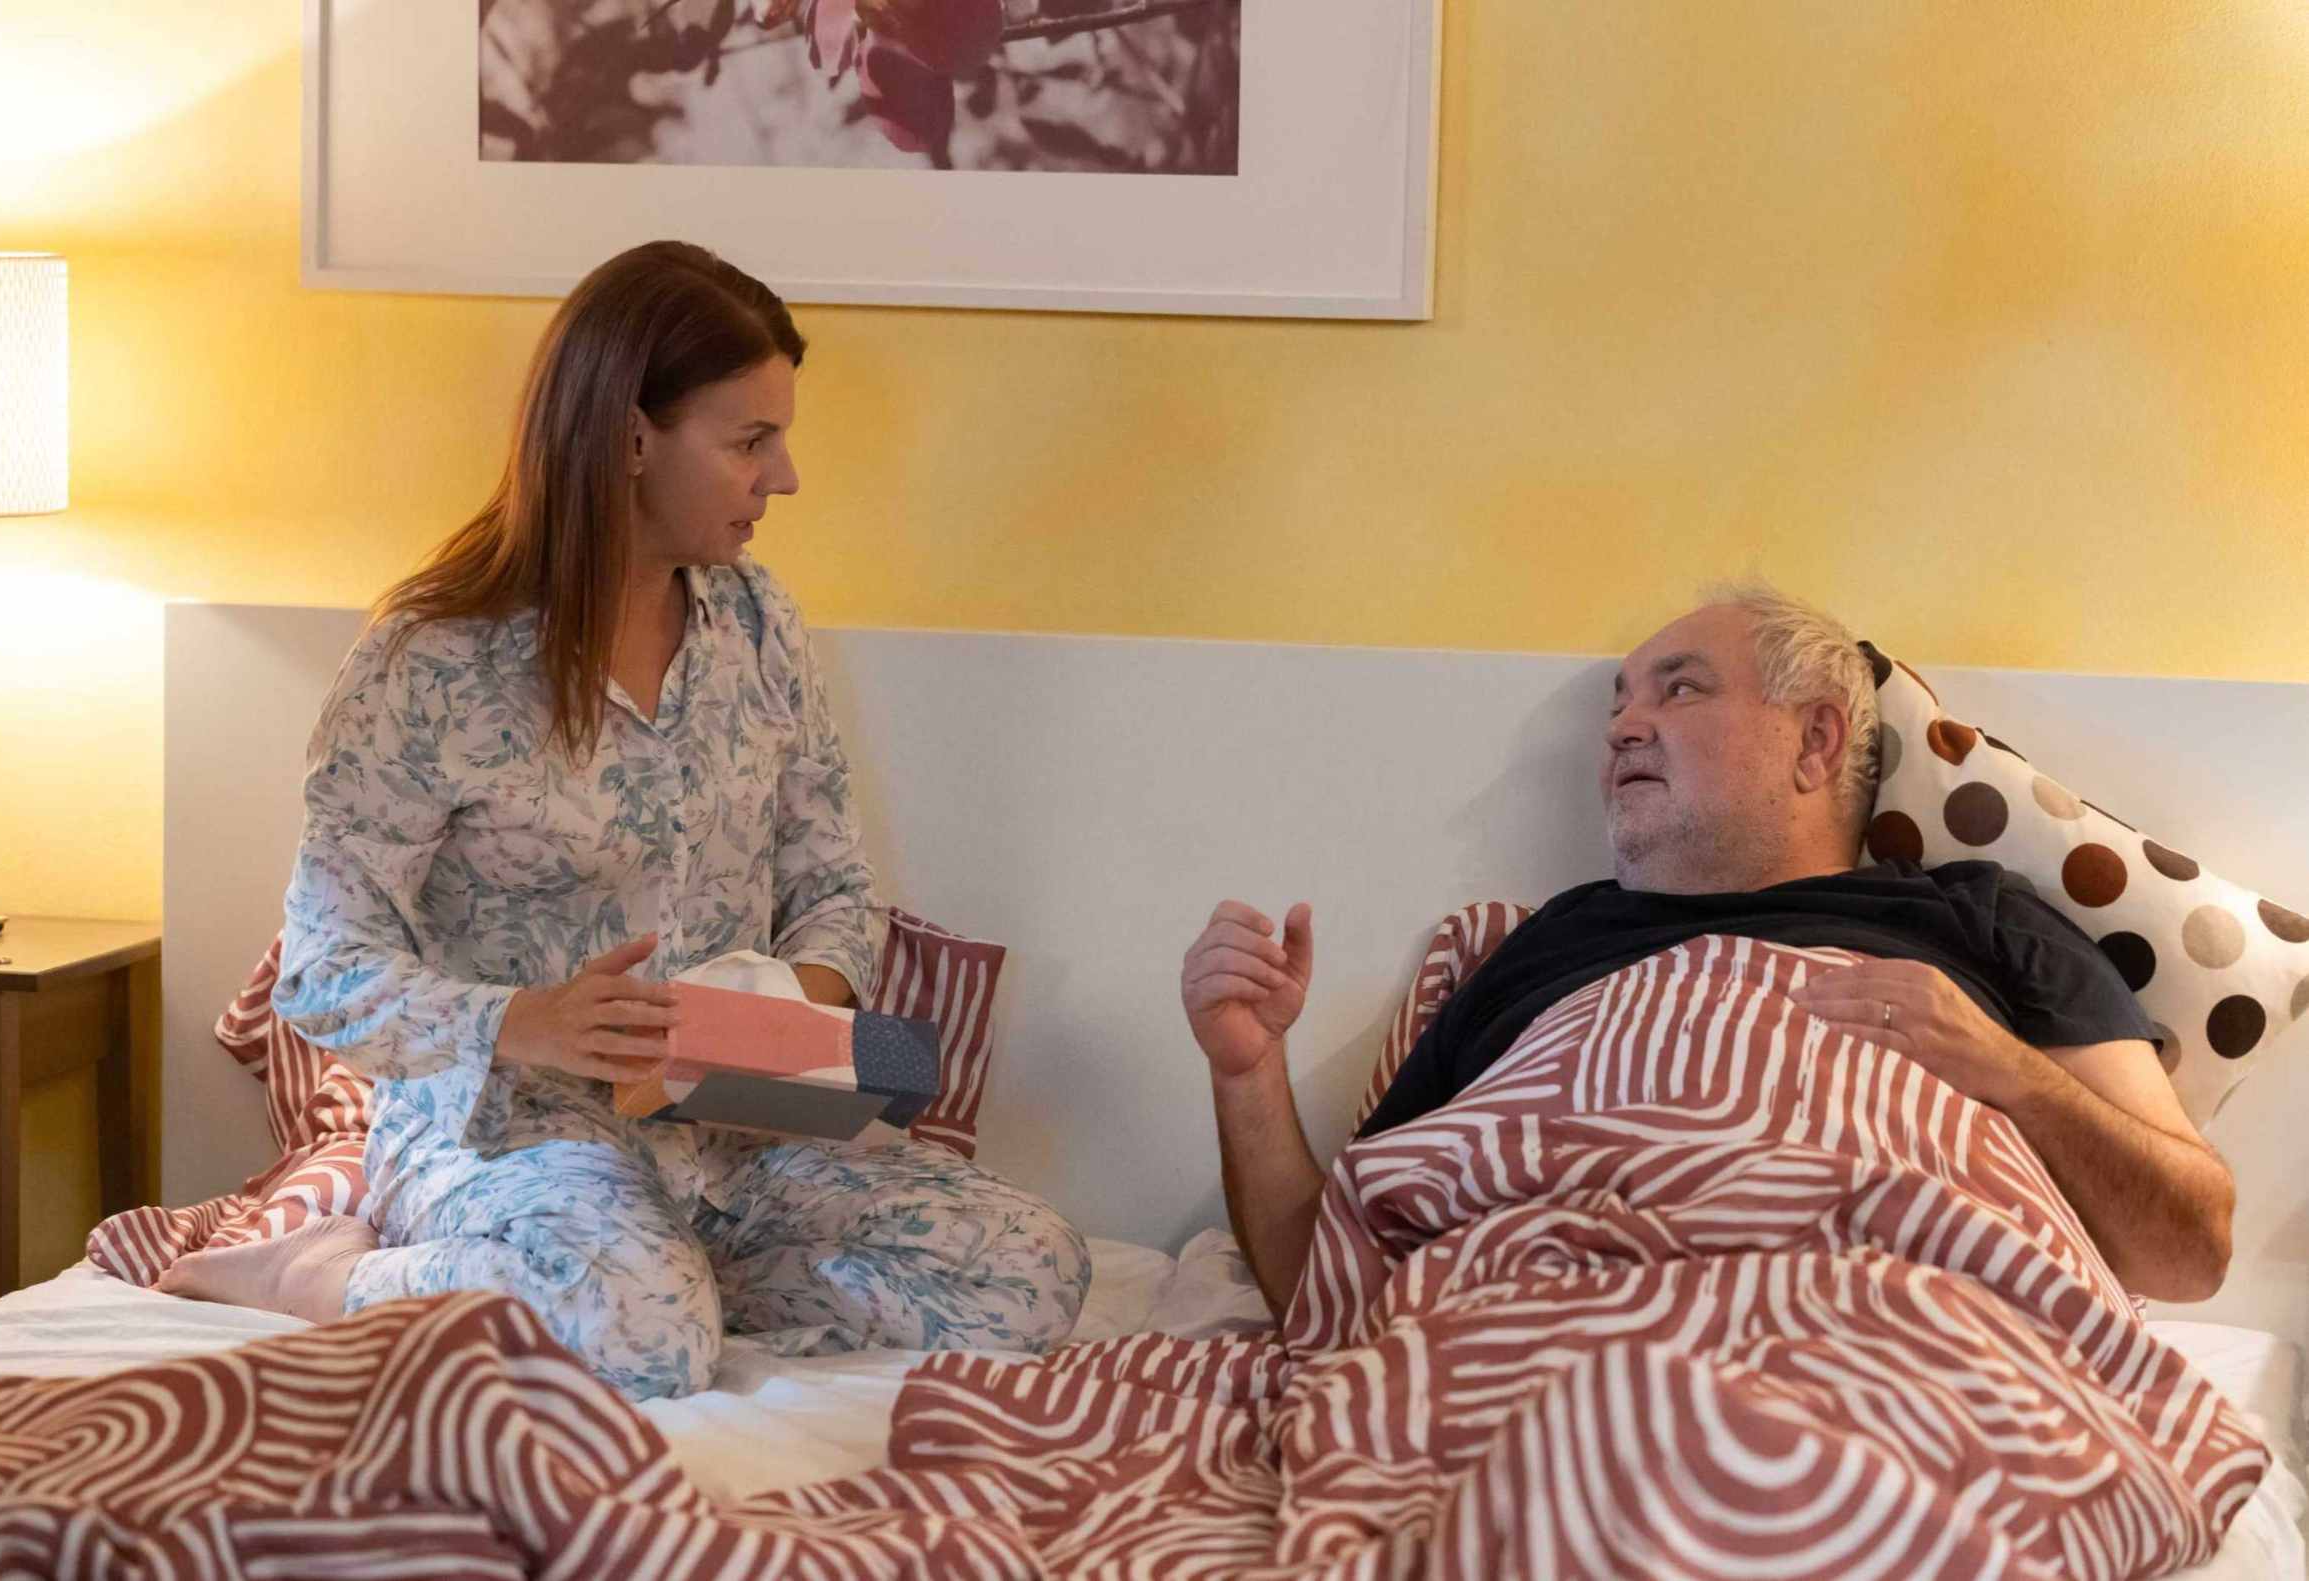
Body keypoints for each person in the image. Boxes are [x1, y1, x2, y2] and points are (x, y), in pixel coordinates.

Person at [161, 241, 1087, 1399]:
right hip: (515, 1131)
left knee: (1032, 1271)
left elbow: (833, 891)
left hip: (742, 1124)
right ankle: (327, 1275)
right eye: (750, 441)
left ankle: (648, 1277)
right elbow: (321, 973)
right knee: (647, 1338)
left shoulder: (761, 628)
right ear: (630, 438)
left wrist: (783, 1010)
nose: (785, 477)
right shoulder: (430, 660)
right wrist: (528, 1021)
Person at [1182, 583, 2233, 1318]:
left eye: (1677, 690)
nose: (1621, 729)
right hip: (1528, 1338)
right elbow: (1324, 1282)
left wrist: (2006, 1072)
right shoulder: (1538, 948)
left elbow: (2187, 1251)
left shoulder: (1977, 920)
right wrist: (1246, 1072)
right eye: (1618, 704)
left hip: (1890, 1328)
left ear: (1816, 740)